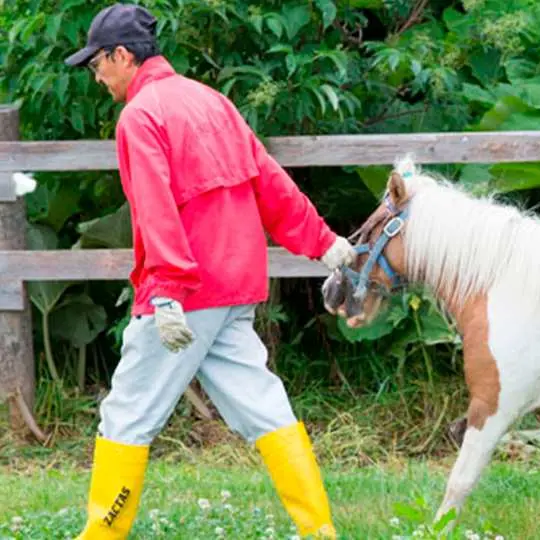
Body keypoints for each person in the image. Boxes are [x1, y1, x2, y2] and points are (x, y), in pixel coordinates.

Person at [64, 4, 354, 538]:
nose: (96, 75)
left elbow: (155, 208)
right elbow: (268, 180)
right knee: (266, 408)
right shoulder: (211, 100)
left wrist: (168, 291)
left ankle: (101, 535)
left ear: (121, 55)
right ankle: (320, 532)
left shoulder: (140, 115)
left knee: (127, 415)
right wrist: (323, 242)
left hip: (185, 294)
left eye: (96, 64)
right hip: (235, 286)